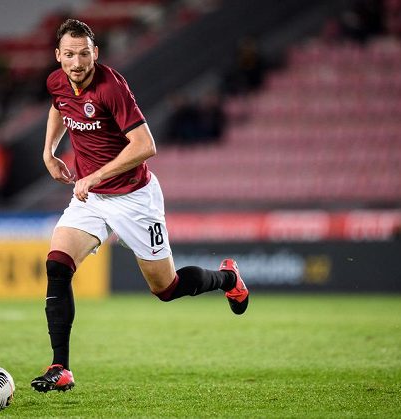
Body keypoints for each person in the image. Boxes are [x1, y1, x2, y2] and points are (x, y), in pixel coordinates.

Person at [30, 19, 249, 393]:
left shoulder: (111, 86)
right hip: (91, 200)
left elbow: (146, 145)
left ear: (95, 53)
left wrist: (95, 176)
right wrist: (49, 153)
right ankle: (60, 367)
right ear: (58, 56)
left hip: (134, 199)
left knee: (166, 288)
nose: (77, 62)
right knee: (57, 265)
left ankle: (228, 278)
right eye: (69, 55)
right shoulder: (56, 81)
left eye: (84, 54)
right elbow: (58, 107)